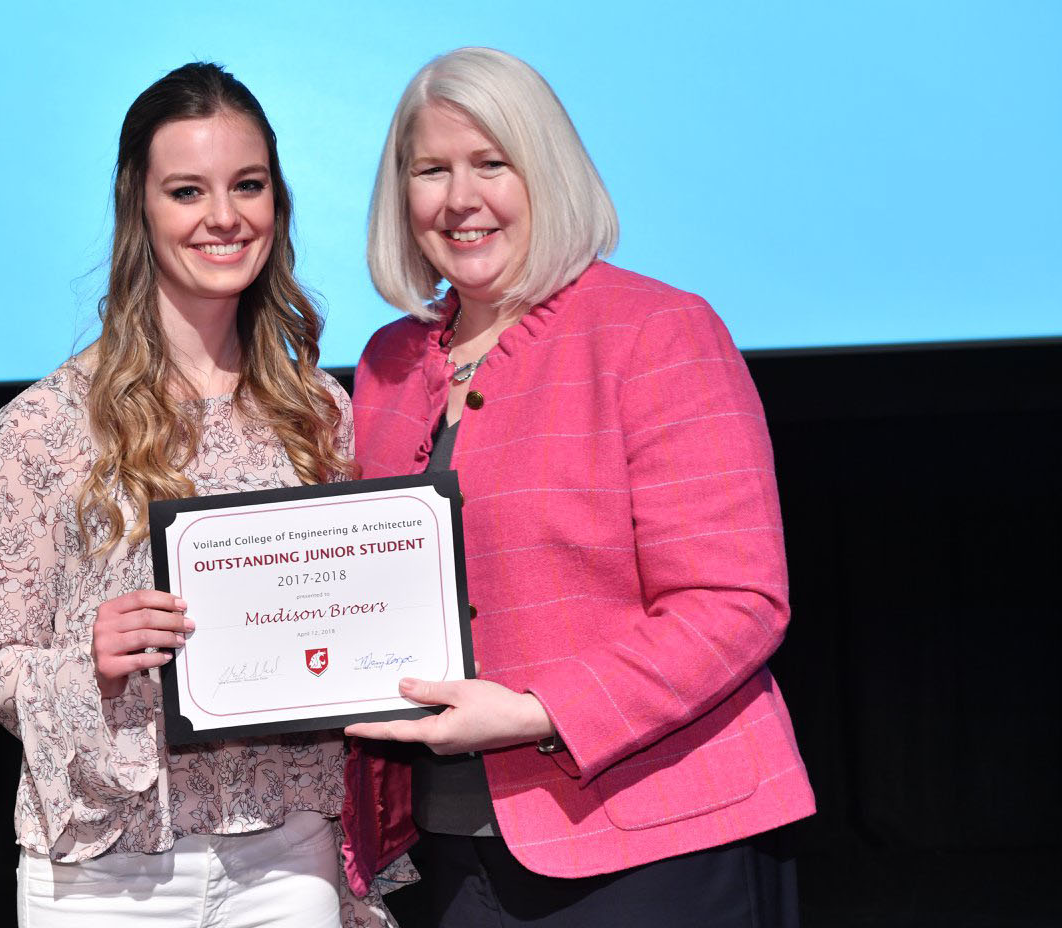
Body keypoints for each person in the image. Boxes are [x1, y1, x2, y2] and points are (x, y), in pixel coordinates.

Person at [341, 47, 816, 927]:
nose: (459, 198)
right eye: (431, 169)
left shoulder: (658, 331)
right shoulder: (387, 365)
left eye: (492, 163)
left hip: (656, 843)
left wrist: (537, 711)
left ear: (546, 171)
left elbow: (736, 601)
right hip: (447, 852)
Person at [0, 62, 390, 928]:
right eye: (188, 190)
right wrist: (92, 659)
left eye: (248, 186)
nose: (223, 217)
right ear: (139, 205)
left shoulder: (320, 414)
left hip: (287, 850)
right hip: (105, 871)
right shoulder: (45, 425)